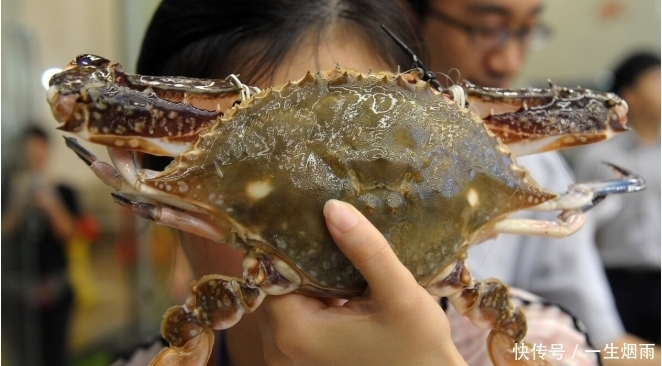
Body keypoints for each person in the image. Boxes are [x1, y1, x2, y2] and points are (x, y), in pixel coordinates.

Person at [405, 0, 659, 363]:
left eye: (526, 31)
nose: (508, 61)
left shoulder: (533, 164)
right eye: (488, 28)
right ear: (409, 14)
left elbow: (600, 339)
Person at [569, 52, 660, 345]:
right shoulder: (599, 156)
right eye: (656, 81)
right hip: (614, 280)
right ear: (630, 95)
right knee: (615, 352)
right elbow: (581, 223)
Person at [1, 125, 80, 366]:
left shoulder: (64, 191)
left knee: (55, 356)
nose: (34, 155)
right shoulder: (7, 191)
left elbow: (70, 234)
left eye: (39, 149)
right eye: (30, 150)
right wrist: (17, 204)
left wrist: (51, 204)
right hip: (17, 296)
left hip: (55, 294)